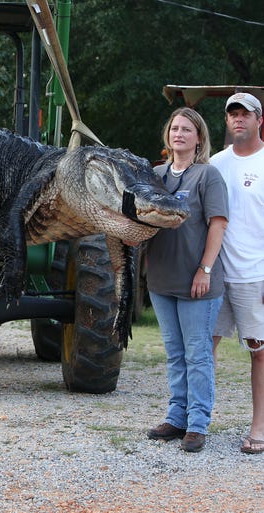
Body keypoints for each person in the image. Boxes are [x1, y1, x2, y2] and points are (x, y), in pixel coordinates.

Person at [145, 108, 228, 452]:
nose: (179, 133)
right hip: (161, 279)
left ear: (199, 138)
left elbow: (218, 225)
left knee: (198, 354)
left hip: (197, 282)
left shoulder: (207, 176)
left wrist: (204, 269)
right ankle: (176, 418)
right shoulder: (153, 174)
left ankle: (197, 424)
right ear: (168, 135)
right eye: (175, 128)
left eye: (187, 129)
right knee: (175, 353)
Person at [211, 92, 264, 454]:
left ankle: (259, 426)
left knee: (259, 352)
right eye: (233, 114)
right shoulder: (215, 163)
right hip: (215, 274)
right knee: (203, 347)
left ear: (260, 120)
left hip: (254, 275)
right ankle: (193, 420)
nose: (238, 119)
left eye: (246, 113)